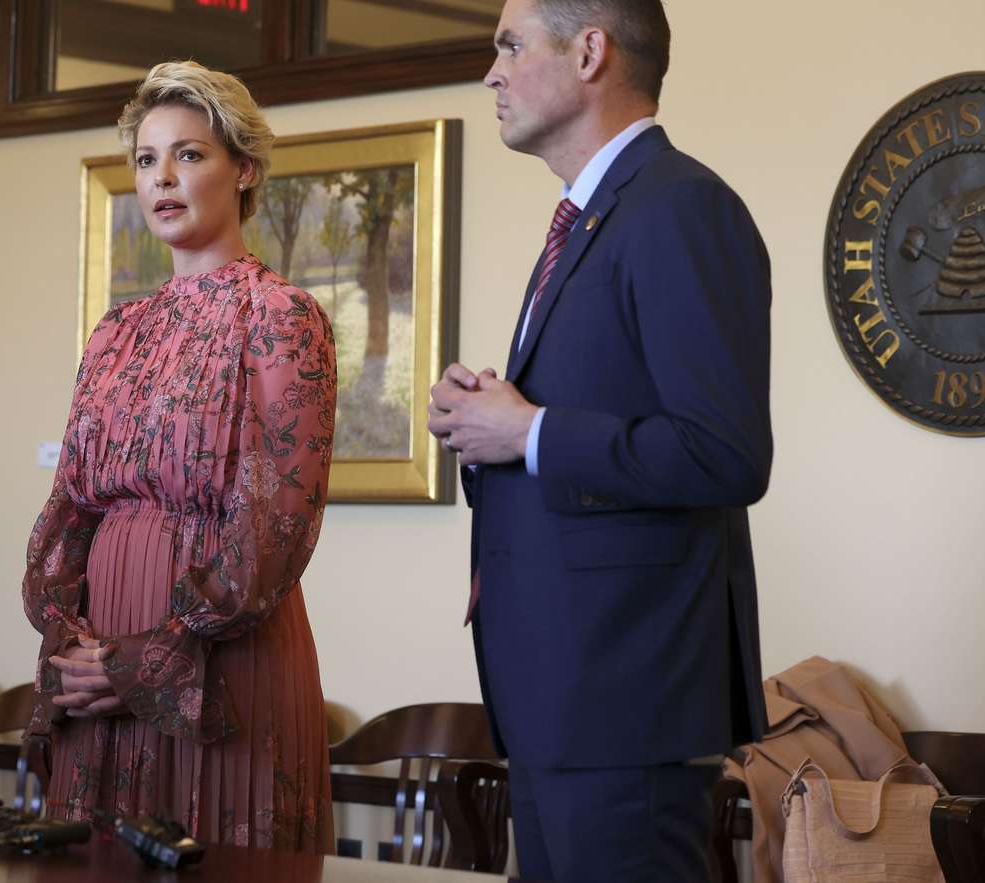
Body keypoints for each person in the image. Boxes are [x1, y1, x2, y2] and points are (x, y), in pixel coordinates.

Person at [427, 0, 773, 879]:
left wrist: (531, 428)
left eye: (509, 45)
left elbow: (725, 451)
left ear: (589, 53)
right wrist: (488, 423)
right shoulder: (591, 217)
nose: (491, 72)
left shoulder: (681, 206)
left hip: (625, 698)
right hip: (562, 694)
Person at [21, 61, 337, 851]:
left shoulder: (283, 317)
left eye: (190, 155)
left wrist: (153, 658)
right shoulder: (114, 333)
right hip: (100, 649)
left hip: (218, 658)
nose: (163, 177)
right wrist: (72, 640)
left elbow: (279, 523)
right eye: (146, 159)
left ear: (245, 169)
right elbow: (68, 505)